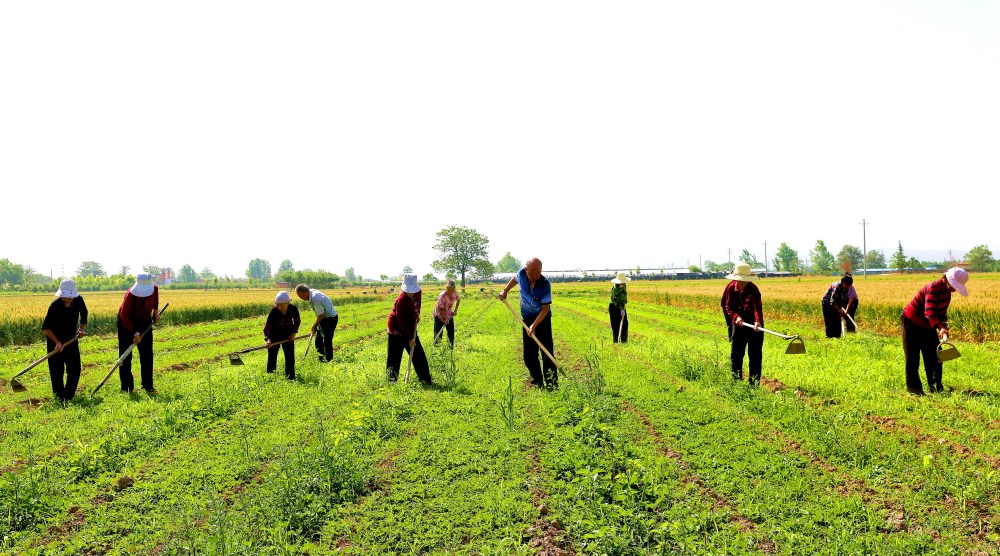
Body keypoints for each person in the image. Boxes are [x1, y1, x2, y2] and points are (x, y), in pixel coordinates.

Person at [902, 267, 969, 395]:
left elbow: (941, 312)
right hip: (911, 323)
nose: (954, 289)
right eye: (954, 286)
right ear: (946, 280)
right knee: (912, 358)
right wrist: (940, 327)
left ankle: (936, 387)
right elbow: (930, 312)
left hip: (928, 326)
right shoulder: (933, 288)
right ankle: (915, 390)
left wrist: (944, 326)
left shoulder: (947, 293)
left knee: (935, 356)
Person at [499, 258, 557, 388]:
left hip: (542, 320)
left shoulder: (545, 284)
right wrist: (505, 290)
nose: (536, 276)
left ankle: (552, 385)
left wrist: (534, 326)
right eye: (533, 273)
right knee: (529, 356)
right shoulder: (521, 274)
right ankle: (538, 380)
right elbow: (514, 279)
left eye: (538, 273)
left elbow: (545, 309)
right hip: (527, 319)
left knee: (547, 353)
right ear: (526, 270)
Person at [41, 279, 88, 402]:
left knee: (75, 369)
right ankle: (59, 396)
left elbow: (84, 314)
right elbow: (46, 328)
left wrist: (81, 329)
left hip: (71, 339)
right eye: (65, 296)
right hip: (55, 340)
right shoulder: (55, 306)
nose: (66, 299)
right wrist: (57, 343)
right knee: (57, 371)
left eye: (69, 296)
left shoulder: (79, 300)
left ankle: (68, 396)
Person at [721, 263, 764, 385]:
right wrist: (736, 317)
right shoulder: (730, 288)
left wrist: (757, 322)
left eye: (744, 281)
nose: (741, 283)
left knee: (755, 355)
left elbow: (757, 308)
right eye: (740, 280)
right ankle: (736, 381)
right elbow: (728, 306)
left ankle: (754, 384)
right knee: (736, 354)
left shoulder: (754, 289)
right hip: (738, 324)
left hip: (754, 324)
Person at [117, 273, 160, 393]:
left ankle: (148, 386)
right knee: (126, 355)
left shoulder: (154, 289)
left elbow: (155, 299)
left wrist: (155, 311)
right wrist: (134, 333)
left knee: (146, 354)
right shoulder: (131, 294)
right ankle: (127, 388)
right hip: (127, 323)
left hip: (145, 321)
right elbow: (124, 315)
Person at [386, 274, 431, 383]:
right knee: (394, 357)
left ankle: (425, 380)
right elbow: (402, 323)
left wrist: (417, 315)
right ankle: (391, 381)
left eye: (413, 290)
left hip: (410, 326)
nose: (411, 292)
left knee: (418, 354)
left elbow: (418, 305)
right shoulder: (401, 300)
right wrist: (410, 338)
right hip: (396, 329)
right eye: (409, 291)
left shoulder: (418, 292)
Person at [295, 284, 338, 363]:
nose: (301, 298)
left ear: (307, 291)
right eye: (299, 296)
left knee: (327, 340)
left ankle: (329, 360)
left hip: (330, 319)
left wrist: (314, 326)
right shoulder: (311, 292)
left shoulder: (315, 299)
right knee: (318, 340)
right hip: (324, 318)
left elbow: (322, 314)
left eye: (301, 295)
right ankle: (321, 359)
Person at [264, 291, 300, 379]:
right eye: (278, 305)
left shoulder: (293, 309)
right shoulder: (274, 312)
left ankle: (290, 376)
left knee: (290, 357)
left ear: (288, 303)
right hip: (274, 336)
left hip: (288, 335)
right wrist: (268, 340)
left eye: (282, 305)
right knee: (272, 357)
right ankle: (271, 377)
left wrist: (293, 334)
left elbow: (297, 321)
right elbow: (267, 327)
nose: (280, 308)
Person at [821, 273, 854, 338]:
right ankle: (830, 336)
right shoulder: (837, 287)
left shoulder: (847, 287)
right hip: (827, 302)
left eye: (849, 285)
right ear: (843, 282)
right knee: (830, 319)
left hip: (837, 303)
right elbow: (832, 301)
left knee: (838, 319)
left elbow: (843, 299)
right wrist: (839, 310)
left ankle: (837, 336)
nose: (848, 287)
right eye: (846, 285)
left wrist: (842, 309)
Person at [432, 279, 461, 347]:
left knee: (451, 331)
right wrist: (445, 319)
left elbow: (458, 299)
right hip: (439, 314)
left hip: (449, 313)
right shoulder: (442, 295)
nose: (449, 291)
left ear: (454, 288)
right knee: (438, 333)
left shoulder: (455, 293)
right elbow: (440, 308)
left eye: (451, 289)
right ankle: (436, 348)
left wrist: (456, 309)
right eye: (448, 289)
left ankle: (451, 346)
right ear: (446, 288)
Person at [609, 272, 630, 343]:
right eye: (622, 282)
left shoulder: (624, 286)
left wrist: (624, 305)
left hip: (622, 306)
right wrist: (621, 310)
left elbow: (624, 296)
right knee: (616, 325)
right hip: (614, 307)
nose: (623, 284)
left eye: (623, 282)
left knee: (625, 323)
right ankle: (616, 341)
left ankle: (624, 340)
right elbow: (615, 302)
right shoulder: (615, 290)